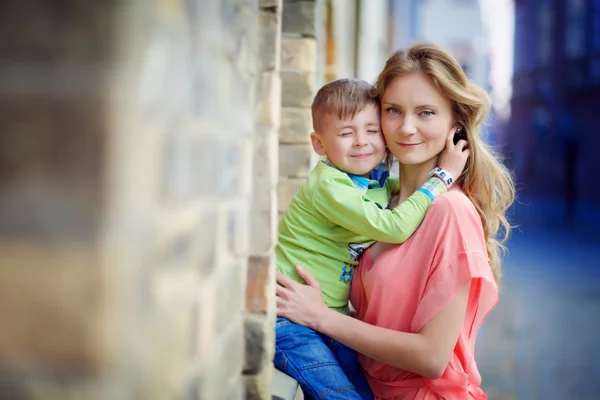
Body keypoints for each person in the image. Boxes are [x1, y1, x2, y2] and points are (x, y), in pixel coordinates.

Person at [276, 43, 515, 400]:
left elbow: (433, 358)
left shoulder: (450, 211)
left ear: (455, 124)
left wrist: (322, 318)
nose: (406, 128)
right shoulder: (380, 202)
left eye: (426, 113)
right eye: (393, 110)